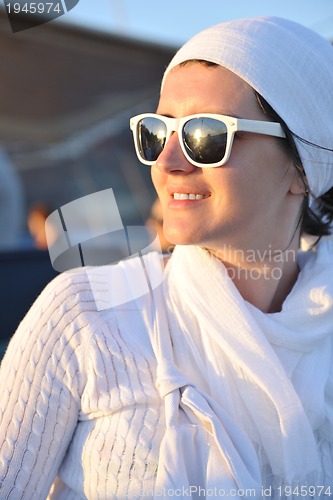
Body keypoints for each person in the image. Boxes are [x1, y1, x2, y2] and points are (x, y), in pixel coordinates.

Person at [1, 16, 333, 499]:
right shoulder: (84, 316)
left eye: (205, 135)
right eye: (156, 132)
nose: (167, 161)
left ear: (303, 169)